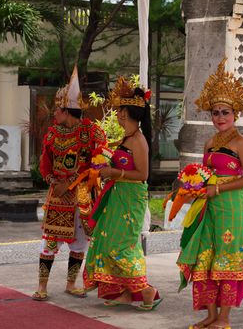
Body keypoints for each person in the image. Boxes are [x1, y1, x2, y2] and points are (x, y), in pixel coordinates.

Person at [177, 58, 243, 329]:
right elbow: (203, 172)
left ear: (235, 113)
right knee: (205, 257)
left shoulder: (241, 142)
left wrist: (218, 188)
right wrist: (194, 188)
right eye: (215, 112)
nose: (220, 117)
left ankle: (224, 318)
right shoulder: (210, 142)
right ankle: (210, 315)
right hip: (208, 206)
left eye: (225, 112)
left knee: (226, 260)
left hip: (231, 208)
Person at [83, 76, 162, 311]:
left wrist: (113, 172)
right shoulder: (127, 138)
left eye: (120, 111)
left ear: (129, 113)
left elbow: (143, 175)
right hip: (119, 194)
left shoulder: (138, 140)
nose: (117, 115)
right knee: (107, 240)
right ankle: (127, 293)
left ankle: (146, 290)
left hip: (131, 197)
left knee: (121, 246)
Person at [32, 66, 107, 301]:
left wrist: (73, 182)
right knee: (49, 240)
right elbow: (45, 163)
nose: (54, 113)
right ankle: (42, 286)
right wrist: (52, 180)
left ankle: (71, 283)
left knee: (80, 241)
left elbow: (98, 162)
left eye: (57, 109)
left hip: (83, 193)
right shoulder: (53, 133)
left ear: (67, 110)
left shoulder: (92, 132)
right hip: (58, 194)